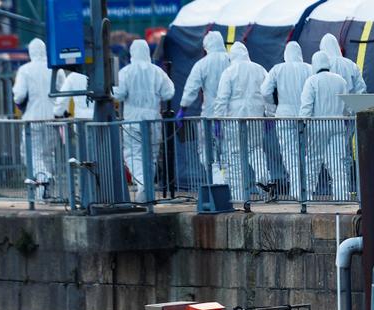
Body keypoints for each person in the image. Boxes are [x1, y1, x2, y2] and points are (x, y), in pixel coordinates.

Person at [113, 39, 175, 202]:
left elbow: (118, 94)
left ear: (132, 53)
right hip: (153, 119)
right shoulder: (157, 72)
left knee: (133, 154)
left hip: (133, 120)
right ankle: (147, 189)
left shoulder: (126, 72)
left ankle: (143, 185)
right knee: (151, 156)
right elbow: (168, 93)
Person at [214, 41, 270, 202]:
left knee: (235, 156)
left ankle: (238, 195)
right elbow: (268, 93)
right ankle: (263, 181)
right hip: (256, 117)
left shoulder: (229, 72)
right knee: (256, 150)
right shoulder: (260, 69)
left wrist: (218, 119)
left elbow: (222, 99)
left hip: (234, 119)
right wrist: (269, 115)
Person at [12, 38, 66, 200]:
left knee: (31, 153)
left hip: (32, 118)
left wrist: (19, 102)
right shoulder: (56, 69)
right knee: (48, 154)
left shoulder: (25, 70)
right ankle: (43, 192)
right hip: (52, 118)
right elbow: (64, 93)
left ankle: (43, 179)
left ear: (30, 52)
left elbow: (19, 95)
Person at [261, 41, 312, 200]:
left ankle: (296, 191)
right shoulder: (309, 68)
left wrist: (271, 109)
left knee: (289, 154)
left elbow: (265, 91)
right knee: (307, 154)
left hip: (284, 115)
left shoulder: (278, 69)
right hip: (304, 115)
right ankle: (306, 191)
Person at [299, 51, 348, 201]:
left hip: (317, 126)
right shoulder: (341, 81)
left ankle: (306, 196)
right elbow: (347, 107)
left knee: (313, 161)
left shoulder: (312, 81)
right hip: (338, 125)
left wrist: (303, 121)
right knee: (338, 162)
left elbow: (306, 106)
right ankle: (341, 196)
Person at [179, 31, 229, 178]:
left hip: (209, 114)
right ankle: (230, 185)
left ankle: (217, 181)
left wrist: (183, 109)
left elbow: (191, 88)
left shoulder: (202, 64)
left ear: (206, 46)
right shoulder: (232, 60)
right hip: (231, 115)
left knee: (206, 151)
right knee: (230, 152)